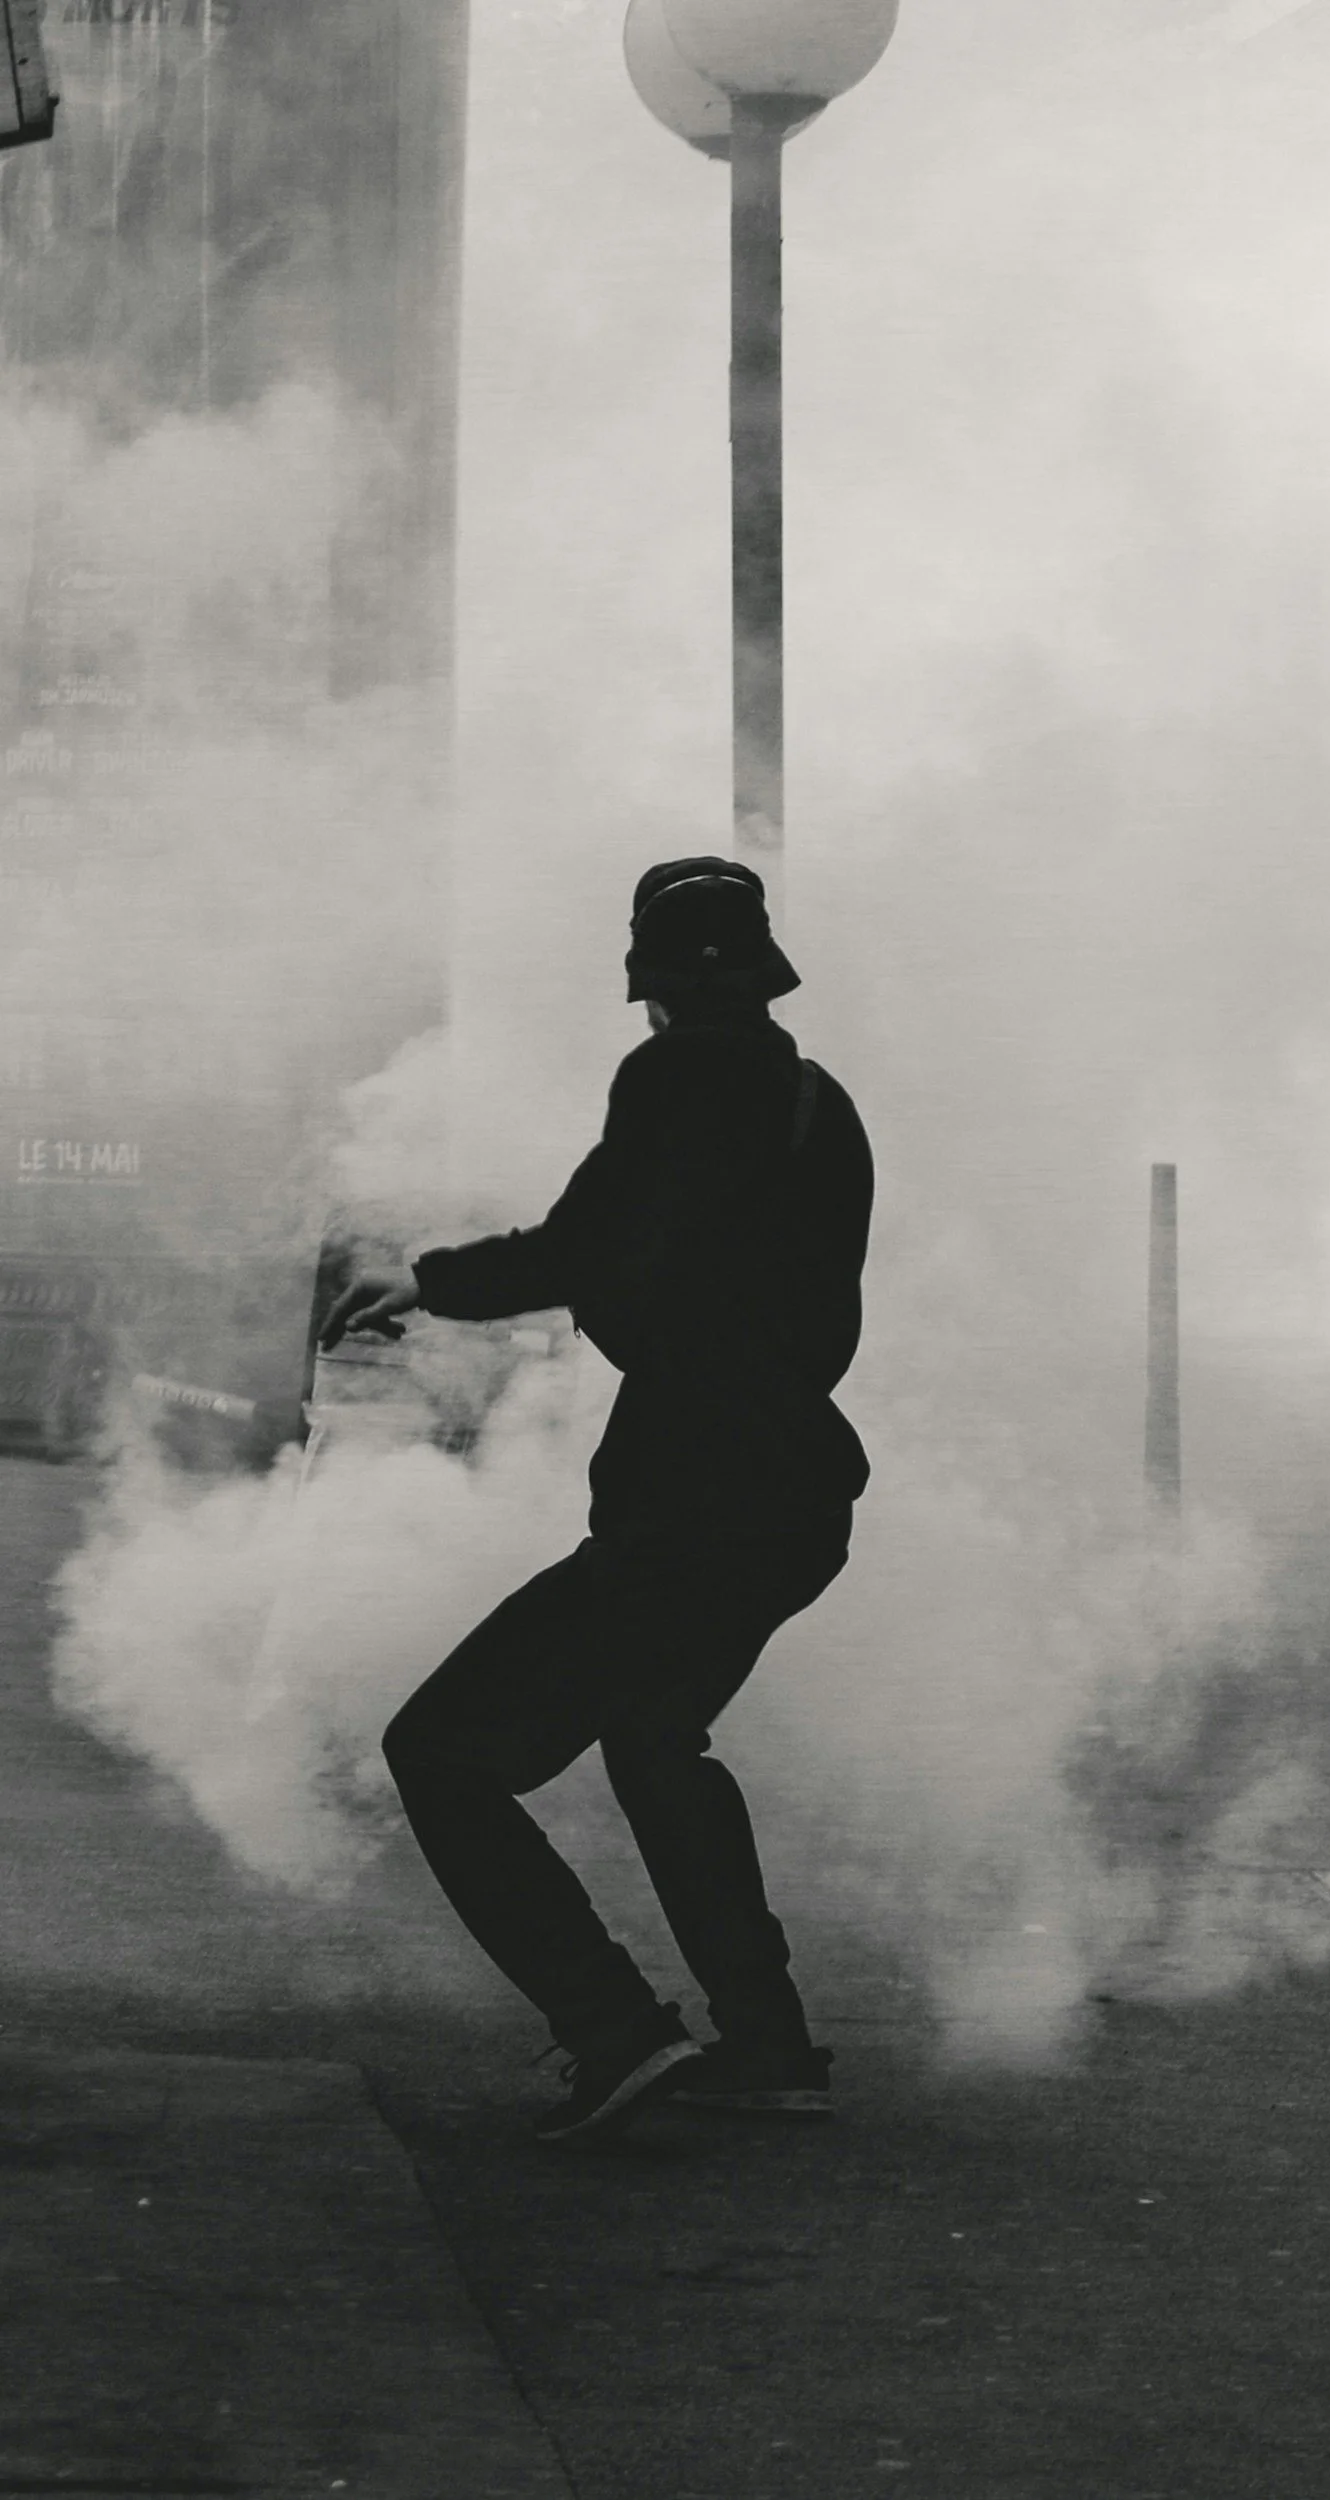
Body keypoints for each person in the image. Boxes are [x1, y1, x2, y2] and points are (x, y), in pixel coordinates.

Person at [321, 858, 873, 2142]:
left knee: (443, 1752)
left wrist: (425, 1284)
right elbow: (788, 1311)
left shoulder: (680, 1074)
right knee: (653, 1735)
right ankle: (769, 2044)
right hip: (794, 1492)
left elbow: (591, 1245)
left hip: (695, 1500)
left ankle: (614, 2028)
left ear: (662, 983)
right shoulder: (817, 1103)